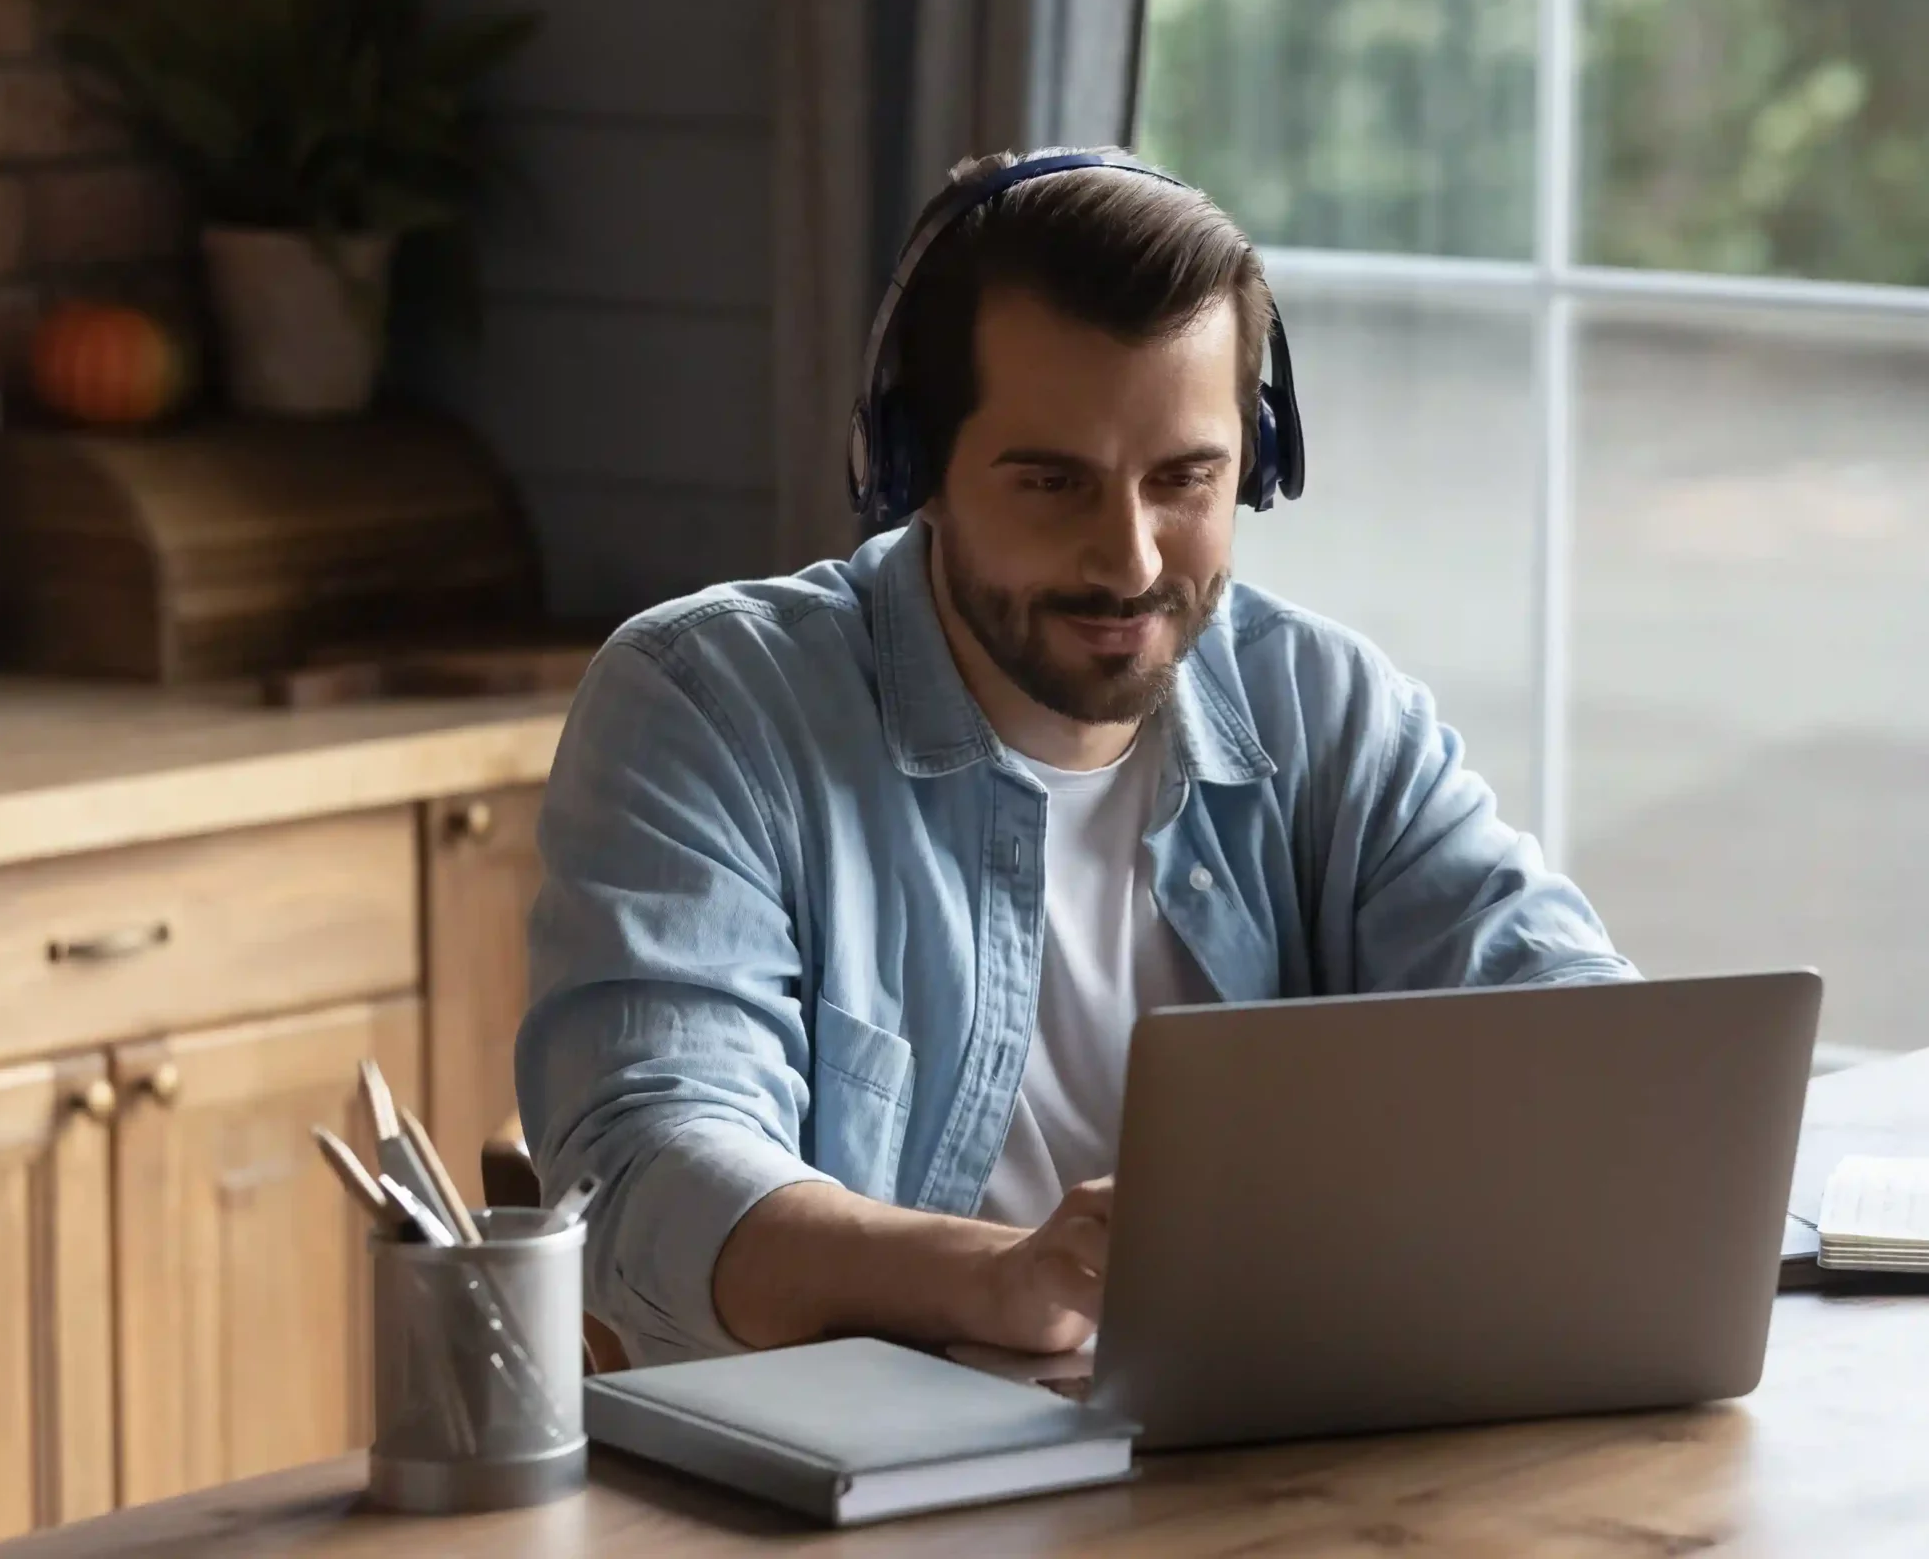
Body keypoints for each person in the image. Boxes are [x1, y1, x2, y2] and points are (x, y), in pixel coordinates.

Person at [518, 148, 1635, 1367]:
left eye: (1184, 480)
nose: (1132, 562)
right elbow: (651, 1166)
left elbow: (1579, 1034)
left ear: (1252, 467)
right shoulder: (705, 708)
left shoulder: (1328, 710)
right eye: (1053, 482)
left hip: (1258, 1461)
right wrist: (995, 1279)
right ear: (910, 470)